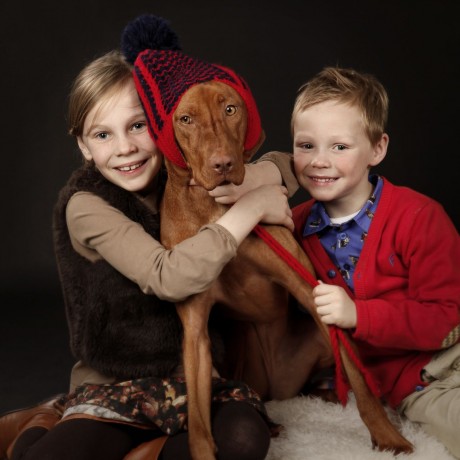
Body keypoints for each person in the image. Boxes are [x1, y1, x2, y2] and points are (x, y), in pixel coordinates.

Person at [0, 44, 295, 460]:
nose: (125, 148)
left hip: (196, 380)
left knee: (245, 441)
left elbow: (296, 165)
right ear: (84, 146)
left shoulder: (183, 174)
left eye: (137, 126)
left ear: (162, 126)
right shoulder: (86, 205)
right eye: (103, 135)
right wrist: (250, 209)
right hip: (117, 385)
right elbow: (167, 277)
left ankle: (142, 450)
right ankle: (40, 425)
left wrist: (260, 177)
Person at [214, 65, 460, 458]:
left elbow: (447, 319)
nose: (319, 161)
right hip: (422, 384)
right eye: (306, 145)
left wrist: (360, 315)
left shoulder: (419, 217)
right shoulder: (294, 228)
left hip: (450, 352)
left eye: (339, 147)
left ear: (377, 149)